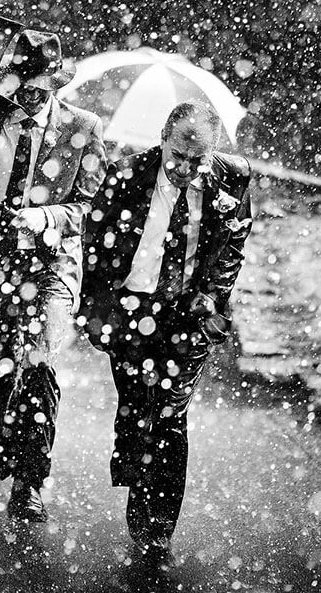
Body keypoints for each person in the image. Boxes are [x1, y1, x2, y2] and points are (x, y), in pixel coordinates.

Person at [78, 101, 253, 565]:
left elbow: (235, 240)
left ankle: (155, 529)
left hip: (186, 316)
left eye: (198, 160)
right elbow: (93, 241)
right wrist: (94, 309)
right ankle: (139, 482)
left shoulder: (233, 178)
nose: (185, 168)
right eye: (177, 155)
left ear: (213, 153)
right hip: (132, 310)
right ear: (162, 138)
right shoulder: (124, 176)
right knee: (137, 408)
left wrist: (212, 295)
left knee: (171, 415)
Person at [0, 31, 107, 523]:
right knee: (4, 379)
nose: (26, 96)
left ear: (54, 83)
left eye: (36, 86)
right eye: (19, 85)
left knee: (36, 363)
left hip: (53, 267)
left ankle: (30, 480)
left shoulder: (83, 127)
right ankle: (18, 457)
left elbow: (95, 209)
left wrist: (47, 218)